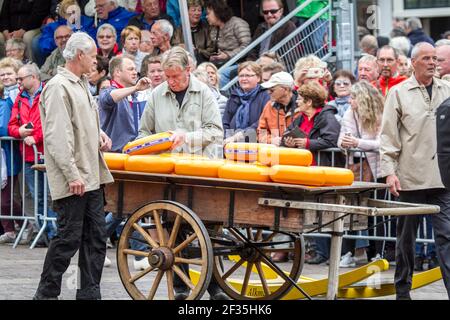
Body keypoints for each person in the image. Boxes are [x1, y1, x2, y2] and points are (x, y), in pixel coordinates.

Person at [138, 46, 226, 299]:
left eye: (176, 76)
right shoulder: (157, 94)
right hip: (169, 174)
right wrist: (155, 144)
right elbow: (144, 132)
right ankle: (179, 288)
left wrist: (187, 137)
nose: (171, 81)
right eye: (167, 76)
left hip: (201, 171)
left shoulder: (204, 93)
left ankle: (215, 287)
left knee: (205, 234)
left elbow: (214, 131)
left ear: (188, 70)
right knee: (174, 232)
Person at [33, 32, 114, 300]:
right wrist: (71, 174)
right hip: (75, 178)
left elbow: (81, 124)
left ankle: (89, 293)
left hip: (90, 175)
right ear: (80, 55)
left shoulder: (81, 83)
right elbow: (58, 136)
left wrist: (99, 134)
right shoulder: (58, 86)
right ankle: (46, 294)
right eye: (92, 56)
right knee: (68, 239)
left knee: (96, 238)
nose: (95, 60)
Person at [380, 42, 450, 300]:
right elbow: (388, 136)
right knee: (406, 241)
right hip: (409, 179)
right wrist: (390, 172)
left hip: (443, 179)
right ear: (413, 62)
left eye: (435, 58)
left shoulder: (448, 90)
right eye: (427, 58)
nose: (433, 62)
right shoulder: (398, 93)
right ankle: (402, 292)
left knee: (447, 238)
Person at [7, 63, 58, 243]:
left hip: (49, 154)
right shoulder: (19, 98)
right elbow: (11, 126)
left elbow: (53, 122)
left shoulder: (49, 94)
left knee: (51, 196)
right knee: (37, 195)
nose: (18, 81)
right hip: (28, 155)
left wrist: (35, 137)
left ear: (33, 77)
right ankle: (44, 234)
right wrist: (19, 132)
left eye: (21, 78)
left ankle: (54, 235)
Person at [337, 81, 385, 266]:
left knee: (377, 211)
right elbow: (341, 139)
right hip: (355, 167)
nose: (350, 101)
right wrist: (346, 144)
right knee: (350, 211)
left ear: (363, 99)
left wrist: (357, 143)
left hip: (377, 169)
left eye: (353, 97)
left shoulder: (380, 115)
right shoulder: (350, 113)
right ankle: (348, 252)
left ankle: (377, 252)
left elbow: (382, 143)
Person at [99, 55, 150, 153]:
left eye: (135, 69)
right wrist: (135, 88)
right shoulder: (106, 90)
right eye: (130, 69)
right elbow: (109, 97)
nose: (135, 73)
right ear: (117, 72)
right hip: (114, 158)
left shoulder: (136, 95)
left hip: (135, 156)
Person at [206, 0, 251, 88]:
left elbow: (247, 46)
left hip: (241, 62)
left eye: (208, 13)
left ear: (217, 11)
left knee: (220, 75)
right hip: (225, 62)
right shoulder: (214, 29)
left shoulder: (237, 23)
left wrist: (227, 55)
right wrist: (214, 56)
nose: (206, 17)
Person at [222, 61, 270, 144]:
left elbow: (263, 121)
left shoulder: (265, 95)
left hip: (256, 142)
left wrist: (241, 136)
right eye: (241, 76)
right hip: (232, 143)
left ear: (258, 78)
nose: (244, 79)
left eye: (248, 75)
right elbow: (226, 121)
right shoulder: (234, 95)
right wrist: (229, 138)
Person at [0, 82, 22, 244]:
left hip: (7, 157)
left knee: (6, 198)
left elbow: (4, 129)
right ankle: (9, 229)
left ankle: (24, 223)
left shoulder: (5, 104)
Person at [257, 71, 298, 146]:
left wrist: (295, 142)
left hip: (300, 154)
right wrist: (271, 140)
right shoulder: (269, 106)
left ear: (285, 90)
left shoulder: (303, 106)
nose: (268, 92)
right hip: (276, 154)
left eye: (272, 89)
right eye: (268, 89)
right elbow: (260, 133)